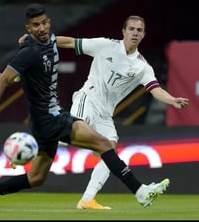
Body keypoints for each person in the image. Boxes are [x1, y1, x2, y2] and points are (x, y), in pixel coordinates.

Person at [0, 3, 170, 212]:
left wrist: (18, 74)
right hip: (52, 118)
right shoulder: (30, 52)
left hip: (46, 121)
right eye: (35, 25)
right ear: (28, 28)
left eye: (44, 23)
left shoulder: (48, 44)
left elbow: (51, 56)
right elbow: (3, 80)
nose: (42, 28)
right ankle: (140, 192)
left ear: (49, 23)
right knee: (105, 145)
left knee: (36, 178)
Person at [18, 15, 189, 209]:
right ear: (123, 31)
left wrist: (172, 100)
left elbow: (155, 89)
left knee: (110, 152)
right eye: (131, 29)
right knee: (65, 139)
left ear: (143, 35)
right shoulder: (105, 45)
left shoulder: (142, 67)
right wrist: (36, 40)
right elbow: (70, 42)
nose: (134, 33)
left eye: (139, 30)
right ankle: (24, 148)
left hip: (105, 114)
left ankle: (87, 199)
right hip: (87, 99)